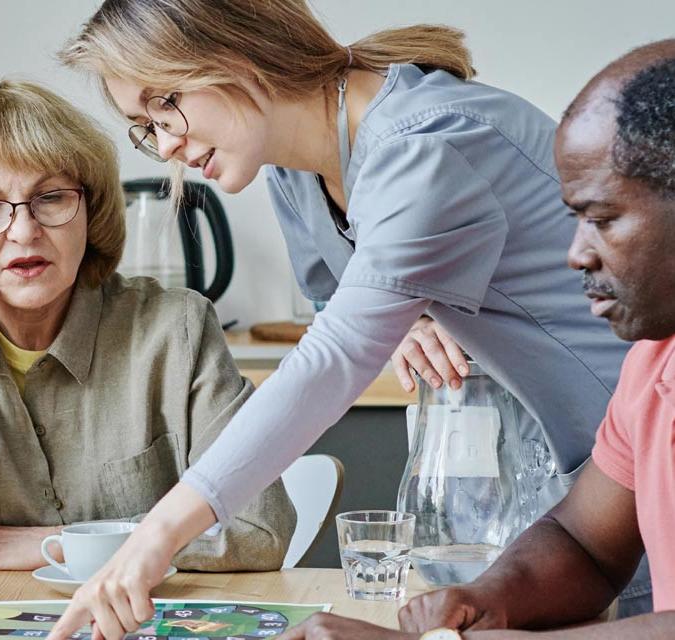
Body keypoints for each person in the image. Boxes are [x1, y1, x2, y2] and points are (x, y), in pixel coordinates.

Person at [47, 1, 644, 637]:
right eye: (145, 125)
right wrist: (409, 312)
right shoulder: (296, 169)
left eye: (166, 103)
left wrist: (156, 535)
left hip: (643, 448)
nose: (166, 143)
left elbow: (334, 356)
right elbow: (340, 299)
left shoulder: (425, 145)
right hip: (598, 485)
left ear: (236, 50)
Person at [274, 40, 675, 640]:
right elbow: (585, 542)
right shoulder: (652, 362)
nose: (576, 254)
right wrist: (489, 597)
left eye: (603, 218)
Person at [0, 80, 294, 576]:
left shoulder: (176, 328)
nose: (25, 232)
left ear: (89, 211)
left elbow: (258, 529)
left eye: (50, 198)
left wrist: (63, 544)